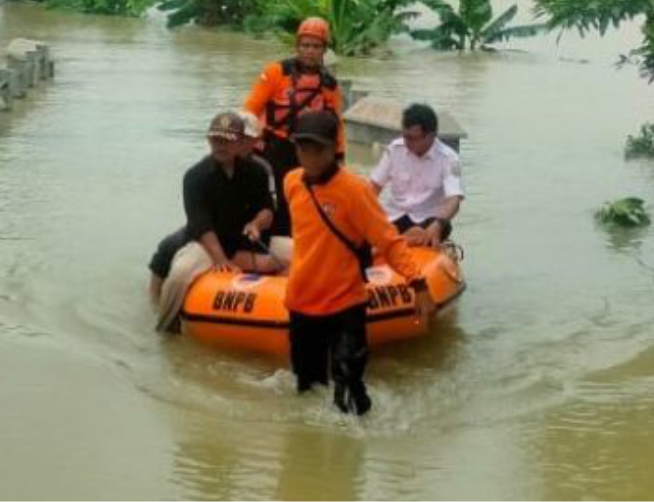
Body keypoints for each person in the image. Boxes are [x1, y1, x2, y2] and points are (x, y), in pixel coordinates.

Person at [284, 110, 434, 415]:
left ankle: (358, 439)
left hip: (344, 304)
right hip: (301, 303)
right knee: (308, 390)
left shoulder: (355, 190)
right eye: (302, 147)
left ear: (333, 149)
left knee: (350, 390)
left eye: (317, 148)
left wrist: (418, 284)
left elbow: (388, 241)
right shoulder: (291, 183)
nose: (309, 156)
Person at [152, 112, 277, 332]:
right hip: (206, 245)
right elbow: (200, 224)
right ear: (209, 139)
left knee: (295, 253)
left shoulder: (257, 171)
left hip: (244, 241)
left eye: (227, 140)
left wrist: (256, 224)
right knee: (179, 275)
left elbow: (267, 208)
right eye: (216, 139)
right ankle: (165, 328)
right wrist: (220, 260)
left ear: (241, 142)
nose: (221, 145)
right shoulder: (194, 176)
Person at [244, 17, 345, 236]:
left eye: (316, 46)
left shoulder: (329, 84)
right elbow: (251, 109)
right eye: (305, 45)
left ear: (324, 50)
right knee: (272, 198)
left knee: (306, 198)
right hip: (273, 145)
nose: (310, 51)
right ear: (297, 47)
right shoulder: (276, 72)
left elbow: (335, 123)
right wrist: (244, 143)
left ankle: (299, 238)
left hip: (308, 149)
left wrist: (339, 156)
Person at [370, 103, 464, 247]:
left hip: (427, 221)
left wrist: (439, 223)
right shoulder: (394, 149)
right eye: (405, 136)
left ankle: (406, 239)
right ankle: (403, 238)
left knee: (439, 227)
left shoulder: (449, 159)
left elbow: (454, 199)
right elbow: (374, 187)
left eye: (412, 138)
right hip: (395, 216)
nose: (407, 142)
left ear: (431, 136)